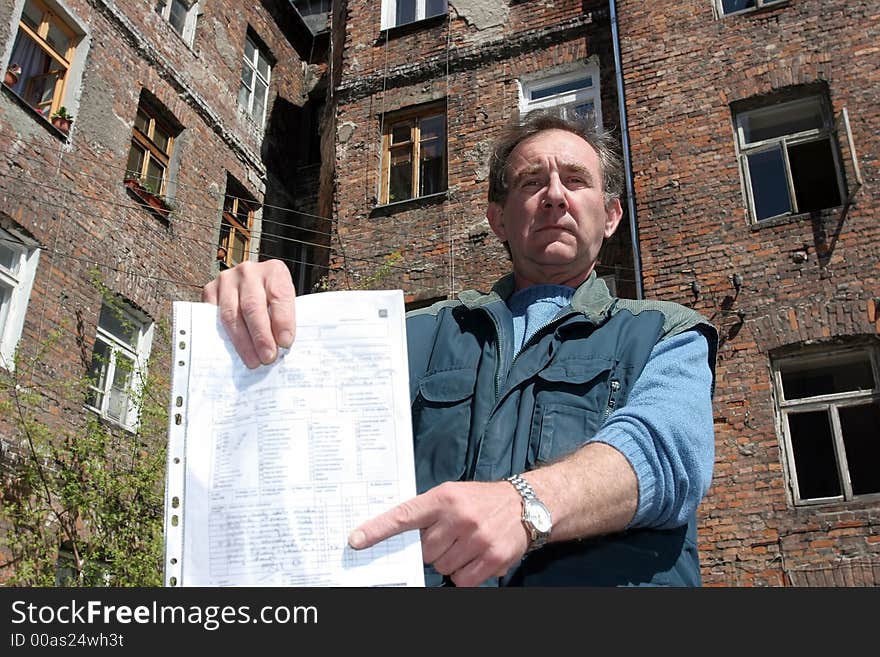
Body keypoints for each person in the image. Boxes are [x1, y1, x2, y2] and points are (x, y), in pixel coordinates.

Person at [203, 110, 717, 587]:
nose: (555, 195)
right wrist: (258, 310)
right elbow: (297, 428)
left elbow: (665, 453)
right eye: (532, 182)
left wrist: (526, 504)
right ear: (497, 219)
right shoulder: (413, 334)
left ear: (610, 216)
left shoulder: (666, 334)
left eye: (576, 180)